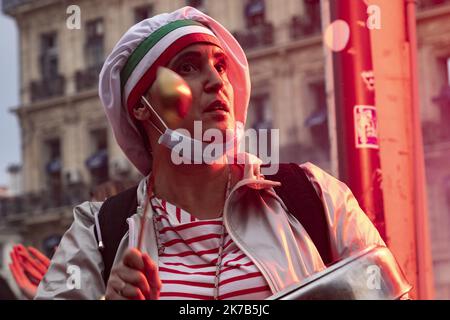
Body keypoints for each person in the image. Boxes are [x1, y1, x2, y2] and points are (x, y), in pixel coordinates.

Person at [35, 6, 390, 300]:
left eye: (220, 65)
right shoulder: (96, 233)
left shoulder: (314, 195)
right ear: (141, 105)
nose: (217, 81)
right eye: (187, 67)